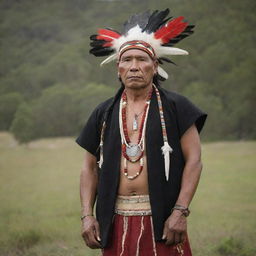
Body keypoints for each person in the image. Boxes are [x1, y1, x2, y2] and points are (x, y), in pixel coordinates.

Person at [76, 8, 207, 256]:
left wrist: (180, 211)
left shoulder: (178, 107)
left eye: (141, 59)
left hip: (164, 221)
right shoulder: (103, 113)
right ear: (118, 68)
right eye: (127, 60)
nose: (134, 66)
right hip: (114, 222)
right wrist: (86, 215)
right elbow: (89, 168)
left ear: (154, 66)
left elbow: (195, 161)